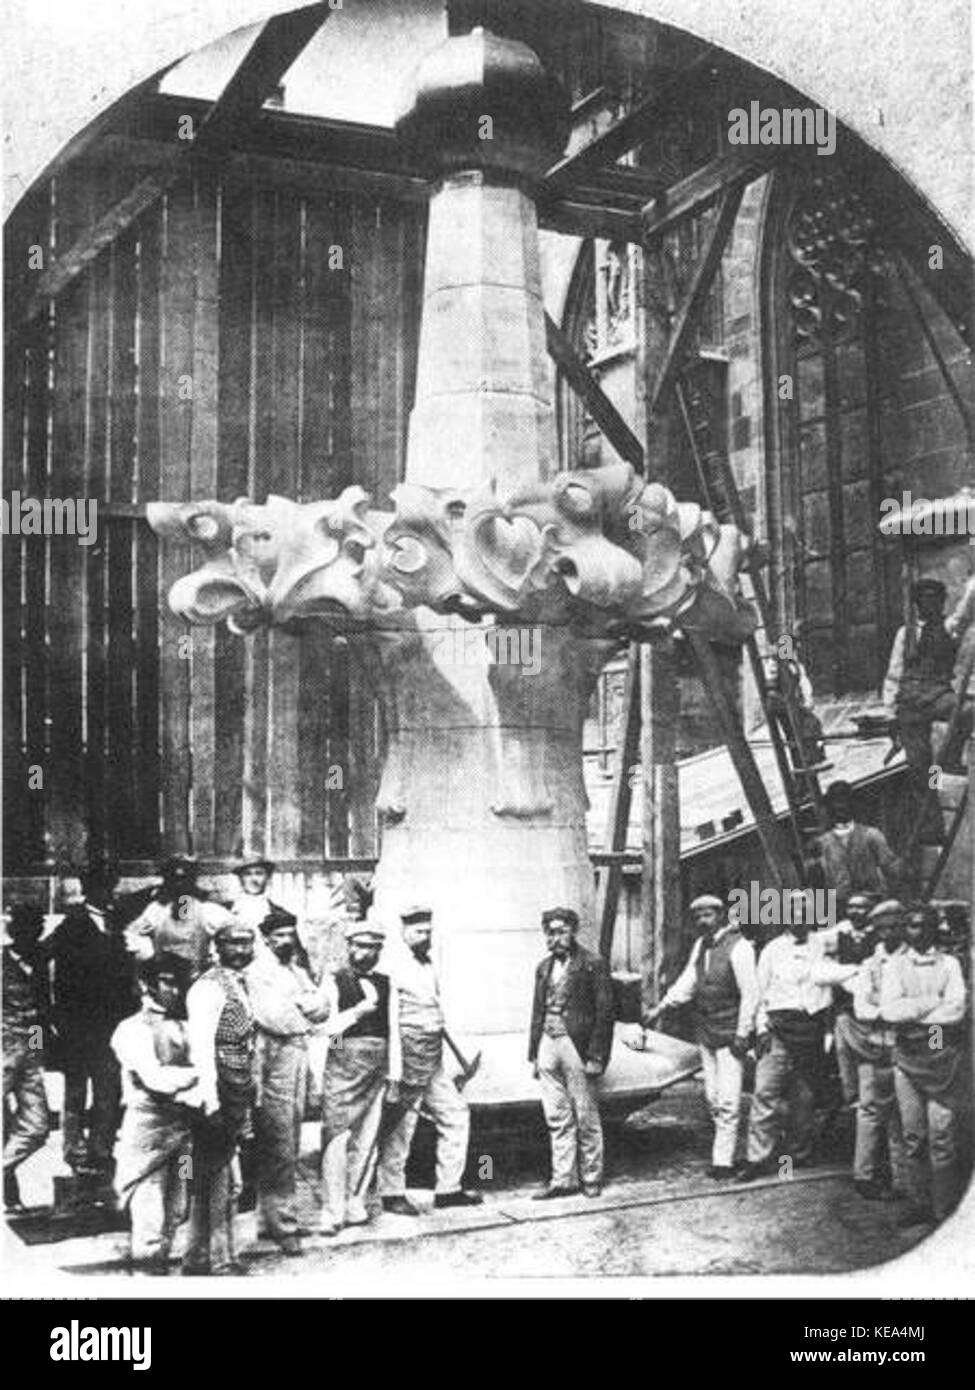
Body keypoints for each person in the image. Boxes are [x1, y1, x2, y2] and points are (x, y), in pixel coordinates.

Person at [631, 895, 758, 1178]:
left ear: (721, 915)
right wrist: (661, 1007)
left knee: (728, 1100)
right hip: (706, 1031)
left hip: (730, 1033)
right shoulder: (701, 946)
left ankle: (723, 1162)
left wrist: (743, 1033)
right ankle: (729, 1154)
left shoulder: (741, 947)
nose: (702, 921)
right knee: (712, 1097)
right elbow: (688, 982)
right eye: (698, 916)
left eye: (708, 915)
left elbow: (751, 994)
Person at [377, 906, 482, 1214]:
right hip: (408, 1056)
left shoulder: (428, 964)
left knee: (456, 1114)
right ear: (404, 933)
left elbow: (435, 1010)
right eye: (419, 932)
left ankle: (449, 1188)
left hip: (433, 1055)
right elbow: (392, 1023)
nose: (425, 937)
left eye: (428, 932)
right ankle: (392, 1192)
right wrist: (394, 1072)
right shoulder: (392, 967)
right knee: (402, 1125)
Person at [111, 954, 203, 1274]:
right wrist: (197, 1075)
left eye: (179, 982)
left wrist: (196, 1078)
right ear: (146, 985)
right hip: (147, 1133)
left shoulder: (188, 1026)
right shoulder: (131, 1029)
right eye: (166, 981)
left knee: (178, 1210)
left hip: (184, 1131)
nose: (174, 989)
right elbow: (156, 1080)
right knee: (150, 1217)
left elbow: (208, 1074)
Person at [44, 868, 137, 1182]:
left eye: (108, 887)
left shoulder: (116, 924)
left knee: (109, 1088)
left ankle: (102, 1149)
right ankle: (74, 1152)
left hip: (110, 1025)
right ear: (87, 890)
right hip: (78, 1025)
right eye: (98, 887)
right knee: (76, 1090)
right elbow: (44, 962)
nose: (105, 893)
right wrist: (54, 1016)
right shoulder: (72, 924)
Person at [880, 903, 968, 1228]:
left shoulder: (950, 964)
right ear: (906, 929)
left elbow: (956, 1010)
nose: (919, 931)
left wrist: (916, 1014)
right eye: (913, 926)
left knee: (942, 1136)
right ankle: (919, 1202)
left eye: (924, 925)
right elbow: (889, 1011)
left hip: (944, 1061)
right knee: (913, 1135)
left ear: (934, 928)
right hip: (907, 1060)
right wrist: (933, 1003)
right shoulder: (894, 965)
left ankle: (944, 1208)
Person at [738, 894, 836, 1180]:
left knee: (804, 1097)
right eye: (793, 911)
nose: (799, 917)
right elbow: (758, 992)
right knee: (765, 1092)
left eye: (805, 911)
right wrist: (761, 1029)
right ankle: (757, 1158)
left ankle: (796, 1156)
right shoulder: (772, 950)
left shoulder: (825, 945)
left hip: (813, 1029)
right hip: (778, 1029)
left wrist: (828, 1033)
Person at [246, 914, 329, 1253]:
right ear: (265, 939)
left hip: (297, 1053)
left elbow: (323, 1008)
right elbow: (274, 1018)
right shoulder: (258, 973)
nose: (286, 940)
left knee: (290, 1139)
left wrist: (307, 1008)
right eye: (278, 935)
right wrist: (305, 1010)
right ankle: (284, 1224)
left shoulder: (297, 971)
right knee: (278, 1142)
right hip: (272, 1057)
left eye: (289, 934)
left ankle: (270, 1221)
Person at [183, 921, 257, 1276]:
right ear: (217, 947)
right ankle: (219, 1258)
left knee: (222, 1176)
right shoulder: (208, 988)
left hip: (238, 1087)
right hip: (218, 1092)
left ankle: (201, 1257)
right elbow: (201, 1048)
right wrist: (210, 1103)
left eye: (247, 943)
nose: (242, 951)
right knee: (220, 1179)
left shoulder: (240, 984)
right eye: (234, 944)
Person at [528, 906, 615, 1199]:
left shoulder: (593, 964)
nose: (555, 938)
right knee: (556, 1115)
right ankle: (563, 1179)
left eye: (561, 931)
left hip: (576, 1044)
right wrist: (533, 1055)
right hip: (547, 1044)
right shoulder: (543, 967)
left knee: (585, 1114)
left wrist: (597, 1057)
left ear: (573, 931)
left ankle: (592, 1176)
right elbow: (536, 1011)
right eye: (550, 932)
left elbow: (605, 1013)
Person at [319, 919, 397, 1235]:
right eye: (362, 945)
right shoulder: (333, 980)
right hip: (342, 1066)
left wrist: (395, 1073)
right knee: (336, 1137)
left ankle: (355, 1203)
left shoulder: (386, 983)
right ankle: (331, 1209)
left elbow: (392, 1030)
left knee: (367, 1140)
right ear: (349, 947)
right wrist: (356, 1015)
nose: (367, 953)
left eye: (374, 947)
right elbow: (326, 1030)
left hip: (377, 1066)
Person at [883, 578, 973, 839]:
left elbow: (965, 611)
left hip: (938, 696)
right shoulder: (905, 633)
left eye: (935, 598)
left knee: (969, 710)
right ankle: (932, 827)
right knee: (920, 768)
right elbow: (893, 673)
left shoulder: (949, 627)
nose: (929, 603)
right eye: (924, 598)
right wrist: (891, 714)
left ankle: (949, 758)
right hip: (910, 704)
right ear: (917, 603)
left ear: (941, 602)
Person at [845, 900, 908, 1201]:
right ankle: (864, 1174)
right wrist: (894, 1011)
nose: (889, 932)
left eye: (895, 925)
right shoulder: (871, 964)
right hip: (874, 1045)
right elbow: (862, 1007)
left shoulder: (914, 959)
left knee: (901, 1114)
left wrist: (888, 1008)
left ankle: (902, 1180)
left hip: (907, 1048)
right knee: (869, 1109)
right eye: (883, 927)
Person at [3, 903, 51, 1212]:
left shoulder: (40, 960)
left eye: (36, 928)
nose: (31, 934)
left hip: (29, 1053)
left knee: (37, 1127)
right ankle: (10, 1194)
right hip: (3, 1050)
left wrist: (37, 1047)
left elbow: (40, 1010)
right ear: (12, 930)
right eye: (24, 928)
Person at [125, 856, 233, 980]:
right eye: (174, 879)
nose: (179, 885)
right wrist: (146, 951)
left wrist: (215, 955)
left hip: (200, 976)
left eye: (184, 880)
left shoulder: (207, 909)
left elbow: (231, 930)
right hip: (166, 977)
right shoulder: (157, 910)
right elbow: (132, 934)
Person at [818, 892, 878, 1108]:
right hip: (844, 1009)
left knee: (869, 1066)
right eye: (851, 906)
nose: (855, 912)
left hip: (872, 1014)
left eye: (861, 907)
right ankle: (852, 1106)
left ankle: (869, 1109)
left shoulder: (879, 936)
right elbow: (816, 945)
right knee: (845, 1058)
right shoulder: (840, 932)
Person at [815, 782, 901, 915]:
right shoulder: (823, 843)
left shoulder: (871, 834)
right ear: (830, 806)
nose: (840, 806)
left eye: (844, 801)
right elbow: (822, 881)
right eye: (836, 802)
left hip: (873, 903)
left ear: (852, 804)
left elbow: (890, 867)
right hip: (841, 908)